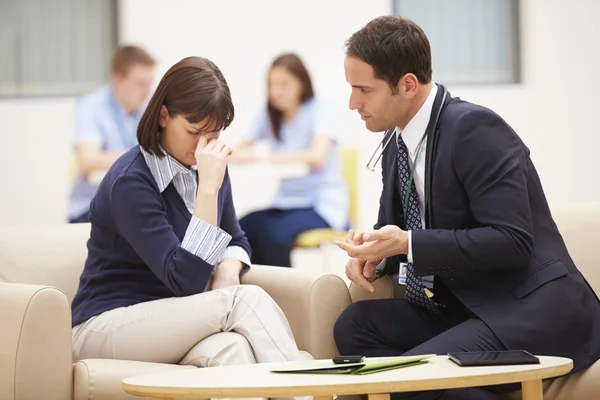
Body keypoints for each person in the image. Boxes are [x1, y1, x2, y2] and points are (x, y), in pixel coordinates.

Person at [333, 16, 600, 400]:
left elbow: (512, 241)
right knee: (355, 326)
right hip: (465, 306)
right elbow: (400, 236)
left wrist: (406, 243)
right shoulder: (397, 144)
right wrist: (374, 255)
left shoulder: (475, 129)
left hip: (530, 311)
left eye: (363, 90)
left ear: (407, 85)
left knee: (413, 381)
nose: (352, 103)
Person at [70, 56, 303, 377]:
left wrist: (228, 269)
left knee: (232, 351)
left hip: (170, 318)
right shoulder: (131, 181)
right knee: (246, 301)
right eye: (195, 131)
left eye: (215, 134)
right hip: (107, 324)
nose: (204, 145)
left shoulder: (207, 163)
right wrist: (207, 188)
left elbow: (235, 238)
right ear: (163, 115)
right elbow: (185, 281)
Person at [231, 53, 348, 267]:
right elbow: (237, 152)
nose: (276, 92)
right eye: (272, 85)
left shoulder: (319, 109)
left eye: (283, 84)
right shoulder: (269, 115)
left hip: (321, 205)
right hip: (285, 203)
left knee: (272, 236)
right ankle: (255, 292)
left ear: (301, 83)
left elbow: (316, 156)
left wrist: (263, 156)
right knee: (240, 229)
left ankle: (283, 296)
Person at [68, 45, 156, 223]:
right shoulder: (91, 106)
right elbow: (88, 161)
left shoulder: (150, 106)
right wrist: (140, 157)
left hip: (132, 206)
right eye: (140, 84)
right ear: (118, 80)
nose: (147, 91)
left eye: (150, 83)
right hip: (91, 209)